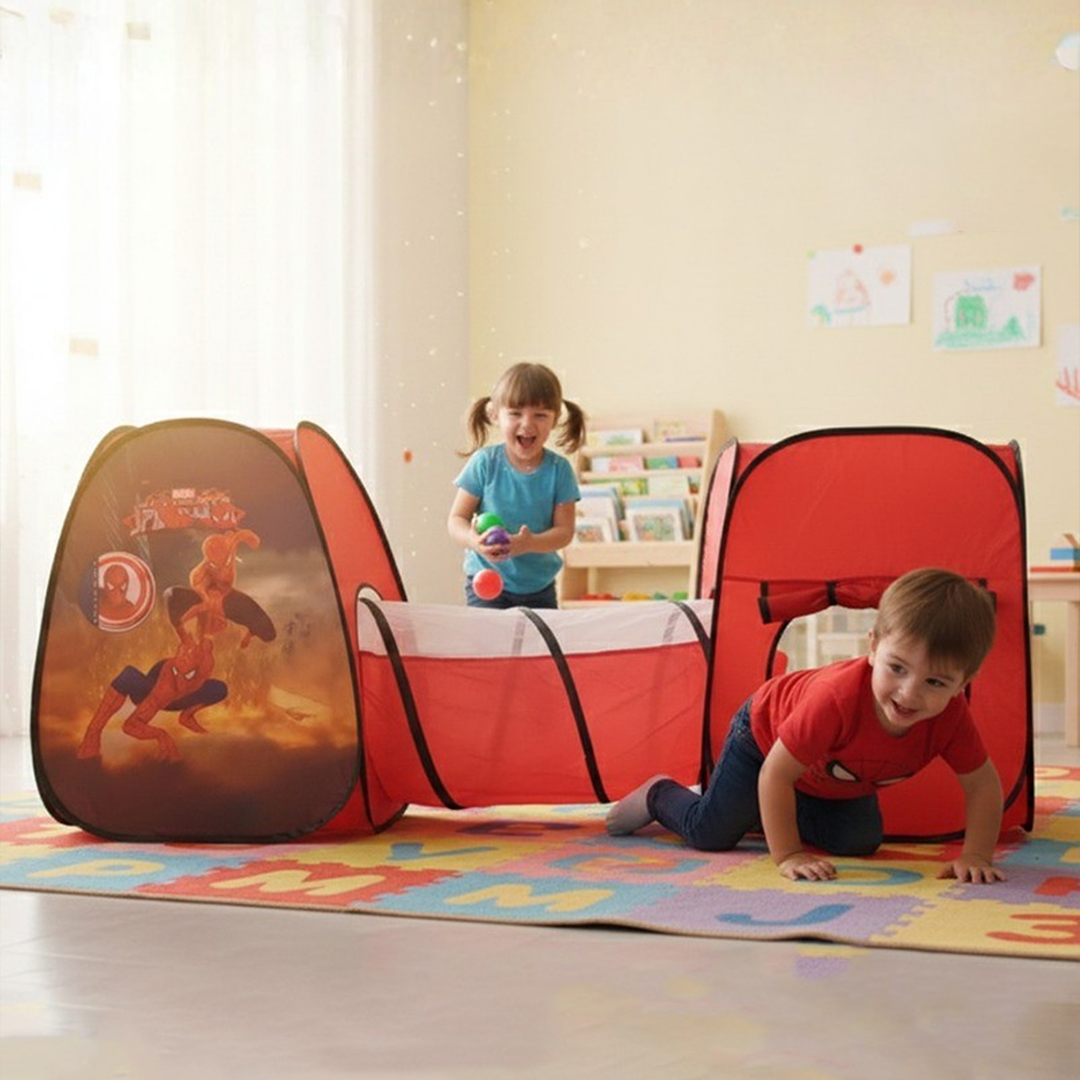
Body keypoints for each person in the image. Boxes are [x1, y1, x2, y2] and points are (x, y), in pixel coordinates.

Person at [606, 567, 1008, 884]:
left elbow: (983, 785)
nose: (909, 693)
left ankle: (761, 809)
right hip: (763, 739)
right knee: (711, 833)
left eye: (935, 682)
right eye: (897, 668)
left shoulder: (952, 717)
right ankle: (658, 795)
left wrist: (975, 855)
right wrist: (789, 854)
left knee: (859, 842)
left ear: (963, 683)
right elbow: (776, 773)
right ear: (873, 647)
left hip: (826, 776)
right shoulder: (835, 700)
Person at [448, 362, 586, 609]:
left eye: (540, 415)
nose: (527, 424)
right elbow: (457, 519)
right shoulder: (485, 463)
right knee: (488, 635)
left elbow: (564, 532)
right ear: (495, 415)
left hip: (538, 587)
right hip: (487, 581)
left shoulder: (559, 470)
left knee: (537, 637)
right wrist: (473, 540)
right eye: (515, 413)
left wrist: (530, 543)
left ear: (555, 419)